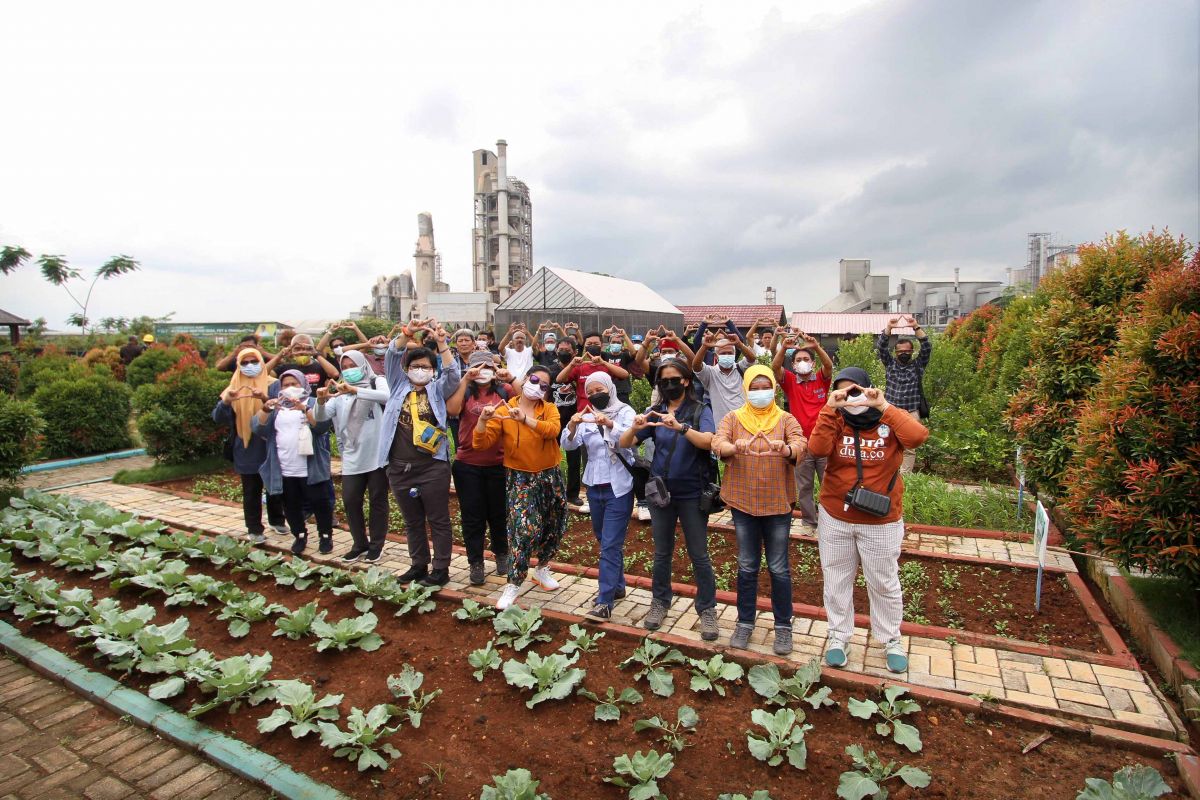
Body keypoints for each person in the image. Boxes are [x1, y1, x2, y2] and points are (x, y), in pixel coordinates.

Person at [807, 366, 929, 673]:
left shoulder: (890, 418)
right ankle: (838, 636)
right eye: (844, 391)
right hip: (837, 516)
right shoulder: (835, 419)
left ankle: (891, 639)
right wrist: (830, 408)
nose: (851, 397)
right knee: (836, 579)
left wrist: (883, 405)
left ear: (868, 388)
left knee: (883, 582)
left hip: (881, 521)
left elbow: (917, 437)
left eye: (856, 390)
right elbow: (816, 448)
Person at [619, 357, 719, 641]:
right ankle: (660, 601)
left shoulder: (700, 410)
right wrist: (635, 427)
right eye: (663, 381)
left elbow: (709, 441)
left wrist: (681, 428)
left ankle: (707, 609)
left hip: (691, 493)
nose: (668, 385)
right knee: (662, 552)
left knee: (699, 554)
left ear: (686, 381)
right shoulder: (656, 411)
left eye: (674, 379)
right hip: (661, 493)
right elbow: (625, 443)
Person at [711, 365, 806, 654]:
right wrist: (732, 447)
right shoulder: (734, 418)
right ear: (746, 389)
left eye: (765, 387)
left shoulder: (785, 418)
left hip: (777, 504)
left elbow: (801, 442)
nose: (760, 392)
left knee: (779, 567)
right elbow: (718, 441)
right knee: (747, 565)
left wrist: (786, 449)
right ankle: (744, 623)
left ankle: (783, 627)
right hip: (743, 504)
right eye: (754, 387)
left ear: (774, 389)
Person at [474, 364, 566, 610]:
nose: (537, 387)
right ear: (525, 379)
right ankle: (513, 583)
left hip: (550, 475)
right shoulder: (503, 408)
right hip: (520, 478)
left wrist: (525, 419)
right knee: (523, 530)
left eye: (544, 385)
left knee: (554, 525)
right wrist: (483, 420)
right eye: (534, 380)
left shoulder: (548, 409)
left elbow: (552, 431)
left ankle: (542, 568)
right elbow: (481, 443)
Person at [377, 321, 460, 587]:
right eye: (415, 366)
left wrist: (442, 343)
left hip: (432, 467)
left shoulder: (436, 390)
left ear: (432, 371)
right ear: (407, 369)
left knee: (438, 519)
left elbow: (453, 374)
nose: (420, 370)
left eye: (425, 367)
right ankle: (418, 564)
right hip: (399, 467)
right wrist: (406, 333)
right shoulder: (398, 386)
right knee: (412, 520)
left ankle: (441, 569)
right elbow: (391, 354)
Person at [561, 371, 635, 619]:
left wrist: (609, 424)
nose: (595, 395)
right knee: (604, 539)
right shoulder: (587, 415)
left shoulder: (624, 412)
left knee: (610, 544)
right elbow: (568, 445)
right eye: (590, 392)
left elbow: (631, 440)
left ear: (610, 388)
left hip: (619, 486)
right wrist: (572, 425)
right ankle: (618, 586)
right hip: (594, 485)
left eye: (599, 390)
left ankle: (604, 602)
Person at [314, 351, 391, 562]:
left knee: (377, 501)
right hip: (351, 456)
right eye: (345, 367)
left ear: (363, 364)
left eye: (353, 365)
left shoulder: (376, 382)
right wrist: (320, 400)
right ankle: (359, 543)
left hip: (377, 457)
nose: (349, 370)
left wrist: (355, 390)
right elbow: (321, 416)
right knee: (350, 500)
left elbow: (387, 397)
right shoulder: (340, 392)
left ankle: (376, 545)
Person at [251, 369, 335, 555]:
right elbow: (258, 428)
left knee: (320, 503)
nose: (290, 388)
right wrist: (266, 408)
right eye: (285, 385)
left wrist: (304, 409)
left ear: (303, 384)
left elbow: (322, 427)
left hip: (311, 467)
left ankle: (325, 536)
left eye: (294, 384)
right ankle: (300, 535)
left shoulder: (312, 402)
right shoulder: (277, 406)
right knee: (290, 505)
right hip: (285, 467)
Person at [446, 350, 512, 585]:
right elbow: (452, 411)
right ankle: (476, 562)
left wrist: (511, 377)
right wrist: (465, 380)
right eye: (478, 367)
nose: (483, 372)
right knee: (472, 517)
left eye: (488, 367)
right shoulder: (464, 391)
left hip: (499, 464)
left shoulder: (504, 391)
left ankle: (502, 554)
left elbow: (525, 403)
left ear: (495, 369)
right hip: (467, 464)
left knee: (499, 514)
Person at [213, 348, 286, 543]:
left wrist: (264, 398)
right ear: (238, 365)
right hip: (245, 445)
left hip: (269, 443)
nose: (250, 366)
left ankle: (277, 519)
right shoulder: (233, 387)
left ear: (262, 362)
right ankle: (254, 528)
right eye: (244, 363)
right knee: (251, 489)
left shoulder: (273, 384)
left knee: (274, 484)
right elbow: (218, 418)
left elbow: (282, 410)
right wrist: (226, 402)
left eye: (254, 361)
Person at [555, 331, 632, 511]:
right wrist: (572, 364)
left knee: (613, 451)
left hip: (607, 415)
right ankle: (592, 493)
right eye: (589, 343)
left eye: (596, 343)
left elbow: (624, 374)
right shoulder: (580, 367)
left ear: (602, 345)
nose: (592, 346)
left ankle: (618, 490)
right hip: (586, 417)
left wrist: (603, 362)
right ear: (584, 346)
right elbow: (560, 379)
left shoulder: (605, 365)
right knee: (589, 455)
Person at [774, 331, 834, 532]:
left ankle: (830, 522)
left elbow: (829, 366)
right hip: (801, 445)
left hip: (824, 443)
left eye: (806, 359)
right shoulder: (790, 382)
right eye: (798, 360)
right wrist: (784, 347)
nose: (802, 362)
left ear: (813, 363)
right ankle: (809, 522)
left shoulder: (821, 379)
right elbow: (775, 368)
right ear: (793, 365)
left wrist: (816, 346)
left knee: (829, 484)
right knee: (804, 487)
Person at [877, 314, 931, 474]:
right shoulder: (890, 364)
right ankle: (886, 473)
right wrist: (889, 328)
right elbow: (881, 347)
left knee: (909, 446)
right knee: (886, 442)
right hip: (891, 411)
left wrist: (915, 326)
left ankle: (905, 477)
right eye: (900, 351)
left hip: (911, 412)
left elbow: (927, 346)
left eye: (907, 351)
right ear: (896, 352)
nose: (904, 353)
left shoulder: (918, 365)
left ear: (912, 351)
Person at [690, 329, 758, 423]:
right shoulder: (710, 373)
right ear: (716, 356)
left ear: (734, 354)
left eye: (730, 353)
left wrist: (739, 344)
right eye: (723, 353)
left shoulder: (740, 368)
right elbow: (696, 366)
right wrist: (704, 347)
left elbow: (751, 359)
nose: (727, 355)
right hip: (722, 425)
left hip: (744, 422)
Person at [266, 333, 339, 387]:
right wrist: (280, 355)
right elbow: (263, 373)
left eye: (306, 349)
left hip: (314, 402)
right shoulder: (285, 368)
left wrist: (316, 354)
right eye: (297, 349)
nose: (301, 352)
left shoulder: (320, 367)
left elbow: (335, 374)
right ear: (291, 350)